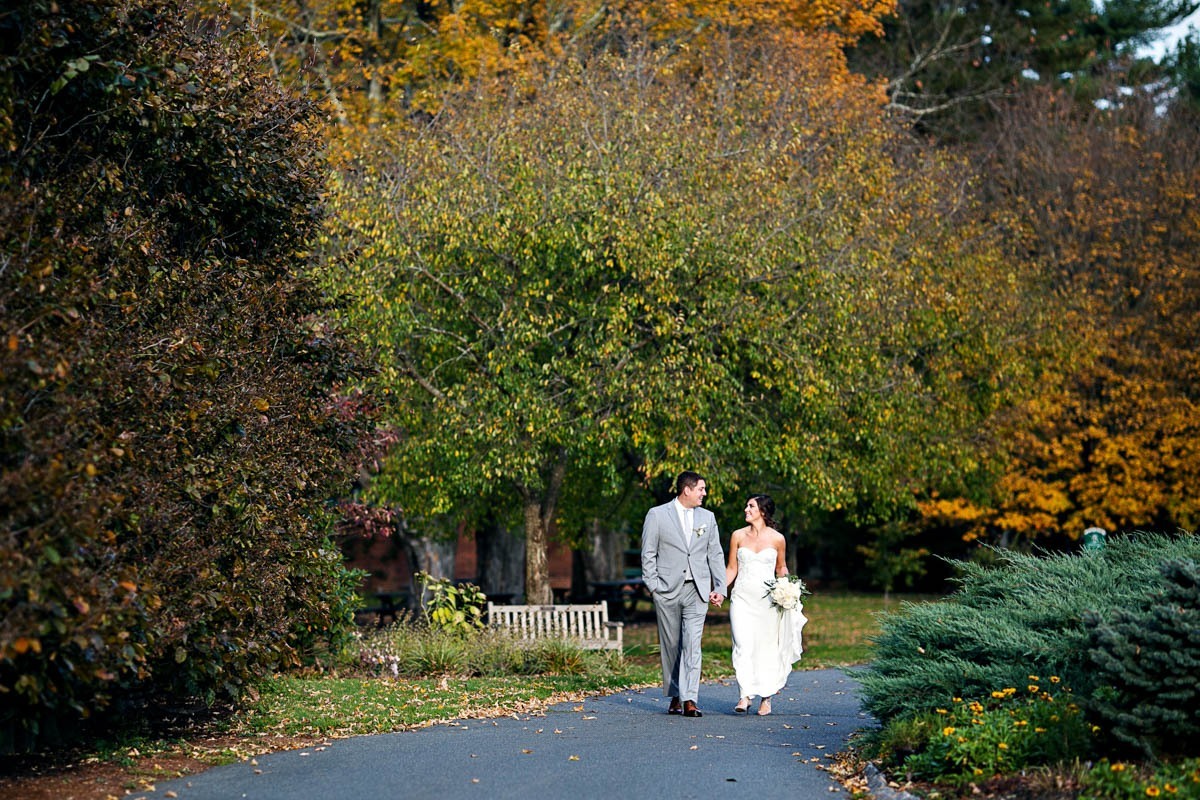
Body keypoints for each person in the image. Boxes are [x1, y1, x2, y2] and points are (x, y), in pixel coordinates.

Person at [641, 470, 727, 718]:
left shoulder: (708, 518)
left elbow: (715, 554)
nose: (704, 493)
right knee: (672, 645)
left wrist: (719, 588)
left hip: (697, 591)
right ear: (686, 490)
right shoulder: (657, 515)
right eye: (701, 489)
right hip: (667, 589)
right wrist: (653, 586)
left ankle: (690, 698)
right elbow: (648, 553)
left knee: (692, 643)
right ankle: (676, 694)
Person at [724, 494, 804, 716]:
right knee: (742, 644)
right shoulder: (737, 536)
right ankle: (744, 695)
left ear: (763, 511)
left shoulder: (778, 539)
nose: (745, 509)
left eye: (750, 506)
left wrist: (788, 589)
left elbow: (781, 567)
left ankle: (766, 698)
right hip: (741, 598)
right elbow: (731, 568)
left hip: (767, 602)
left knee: (766, 648)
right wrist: (719, 590)